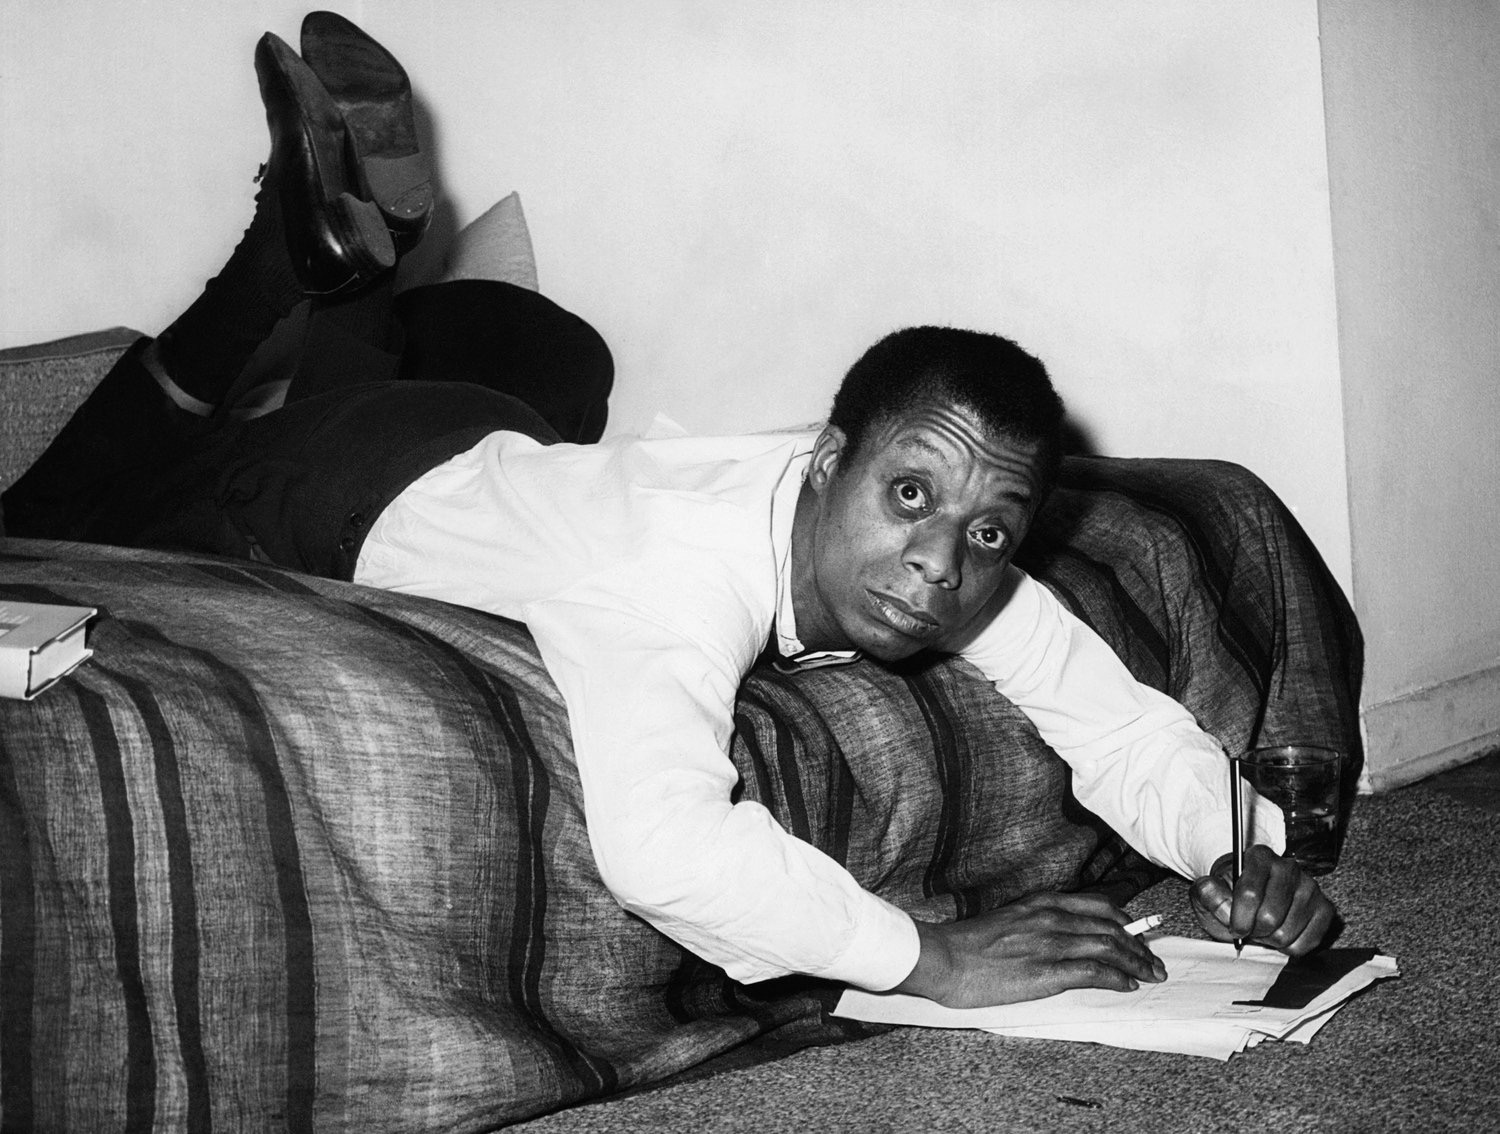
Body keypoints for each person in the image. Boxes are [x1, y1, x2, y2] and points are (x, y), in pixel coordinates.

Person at [4, 12, 1337, 1010]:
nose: (938, 564)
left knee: (545, 350)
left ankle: (360, 260)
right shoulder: (673, 579)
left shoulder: (939, 543)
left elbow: (1105, 714)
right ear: (828, 457)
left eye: (985, 529)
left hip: (479, 436)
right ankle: (290, 266)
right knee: (48, 514)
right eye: (910, 495)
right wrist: (927, 955)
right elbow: (662, 845)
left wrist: (1240, 846)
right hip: (320, 495)